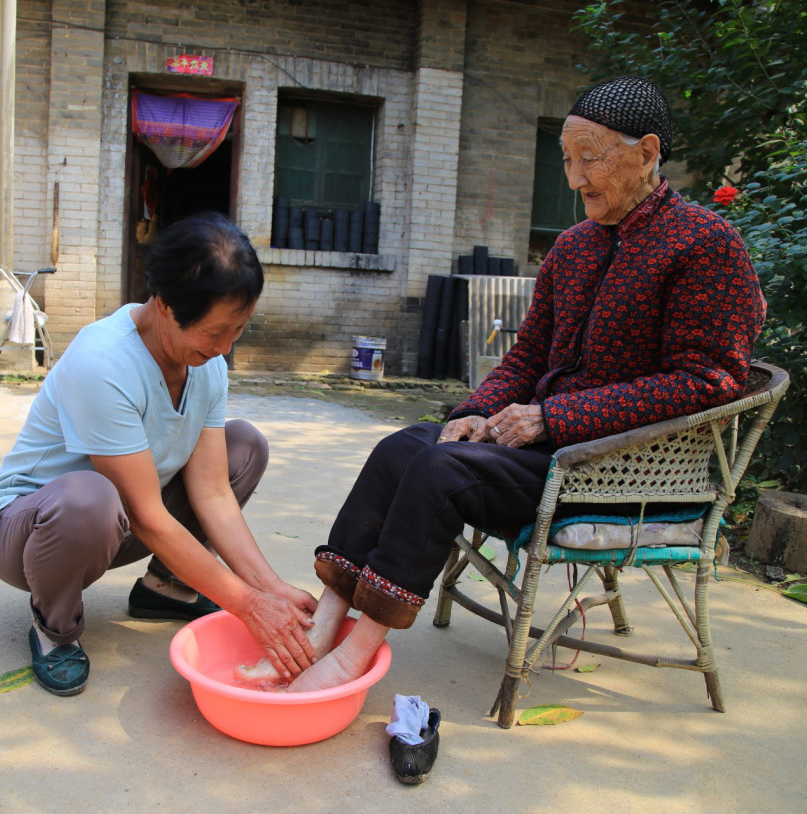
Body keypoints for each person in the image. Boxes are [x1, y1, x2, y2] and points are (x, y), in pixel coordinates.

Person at [241, 75, 767, 692]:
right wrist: (477, 409)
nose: (574, 180)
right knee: (404, 448)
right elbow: (527, 357)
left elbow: (708, 383)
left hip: (617, 470)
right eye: (567, 160)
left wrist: (557, 418)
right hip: (544, 451)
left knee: (440, 475)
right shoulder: (572, 249)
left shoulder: (705, 246)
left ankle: (356, 651)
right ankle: (328, 618)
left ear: (647, 152)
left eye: (589, 160)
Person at [0, 212, 317, 696]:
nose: (223, 349)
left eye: (237, 330)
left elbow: (214, 491)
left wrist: (271, 589)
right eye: (213, 332)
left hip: (122, 521)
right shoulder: (104, 362)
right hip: (30, 531)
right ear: (163, 305)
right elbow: (148, 516)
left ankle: (166, 589)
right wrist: (247, 606)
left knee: (244, 445)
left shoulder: (207, 364)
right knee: (89, 497)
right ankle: (55, 629)